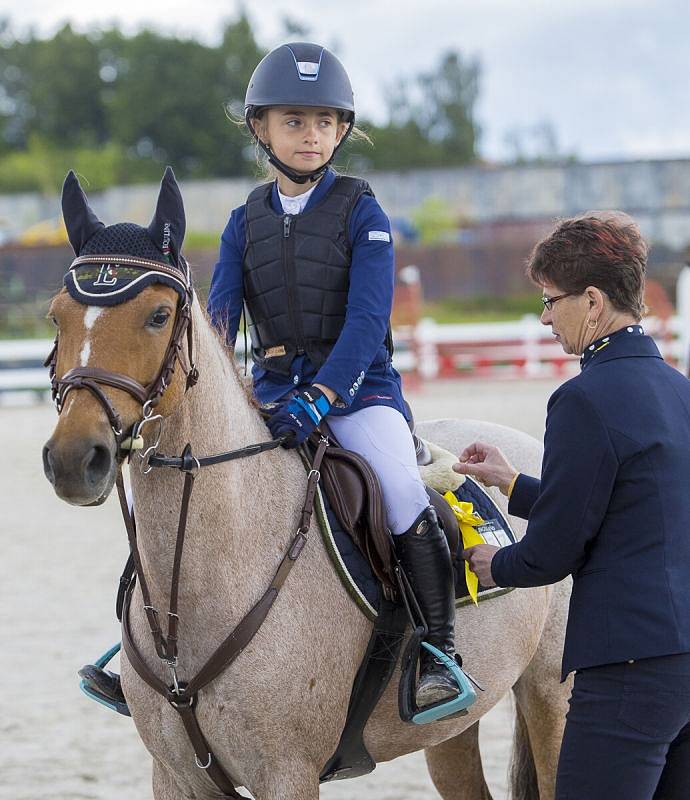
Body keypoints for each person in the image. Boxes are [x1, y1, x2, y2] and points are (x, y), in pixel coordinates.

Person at [206, 42, 469, 712]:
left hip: (357, 395)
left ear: (341, 129)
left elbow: (366, 322)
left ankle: (440, 648)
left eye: (324, 122)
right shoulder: (243, 224)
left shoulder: (362, 213)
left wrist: (320, 398)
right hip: (270, 399)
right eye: (294, 121)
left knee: (403, 488)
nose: (311, 134)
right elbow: (217, 322)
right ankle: (149, 647)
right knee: (190, 489)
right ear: (260, 128)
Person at [455, 212, 690, 799]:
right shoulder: (680, 390)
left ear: (590, 301)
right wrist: (514, 485)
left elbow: (553, 553)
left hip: (627, 668)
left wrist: (493, 563)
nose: (544, 316)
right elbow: (639, 506)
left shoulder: (583, 399)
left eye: (549, 299)